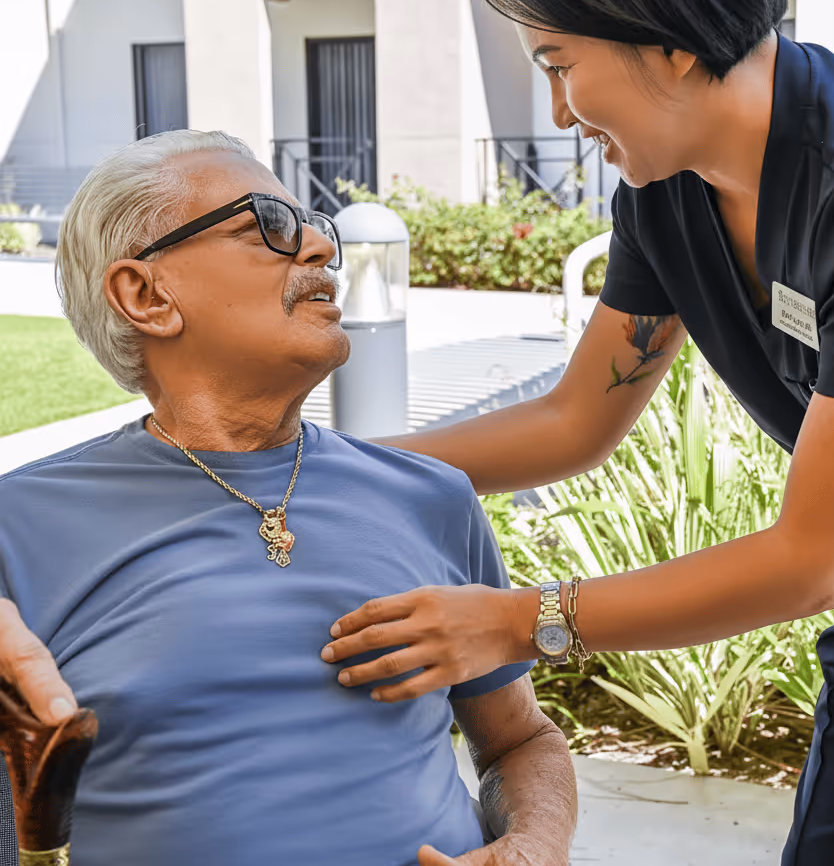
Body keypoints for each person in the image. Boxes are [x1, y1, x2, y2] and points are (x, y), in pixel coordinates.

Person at [314, 0, 834, 864]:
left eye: (558, 63)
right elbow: (573, 419)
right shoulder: (665, 194)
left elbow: (812, 558)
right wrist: (339, 471)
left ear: (666, 38)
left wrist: (516, 621)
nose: (558, 110)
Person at [0, 130, 576, 866]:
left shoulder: (430, 498)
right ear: (145, 295)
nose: (318, 248)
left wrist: (535, 841)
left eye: (314, 227)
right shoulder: (21, 527)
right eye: (266, 226)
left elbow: (520, 741)